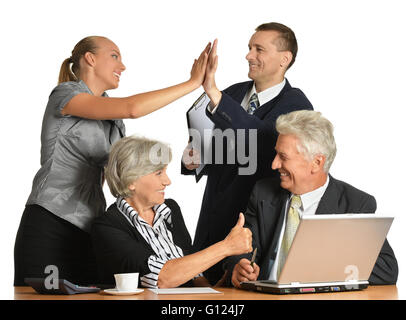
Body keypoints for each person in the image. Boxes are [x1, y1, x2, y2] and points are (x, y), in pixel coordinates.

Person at [14, 36, 212, 286]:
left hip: (92, 228)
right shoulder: (65, 95)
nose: (123, 66)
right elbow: (132, 108)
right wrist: (193, 82)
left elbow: (124, 175)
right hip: (51, 222)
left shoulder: (113, 118)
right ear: (90, 59)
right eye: (115, 56)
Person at [182, 22, 313, 284]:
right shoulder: (233, 92)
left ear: (284, 59)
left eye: (259, 49)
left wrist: (213, 94)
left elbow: (261, 139)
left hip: (251, 223)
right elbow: (210, 142)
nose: (249, 55)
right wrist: (193, 157)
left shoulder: (297, 105)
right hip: (212, 215)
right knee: (198, 289)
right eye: (250, 48)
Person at [226, 110, 398, 287]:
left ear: (316, 163)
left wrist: (320, 258)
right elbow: (241, 249)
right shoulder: (263, 192)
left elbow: (387, 270)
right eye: (276, 154)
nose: (274, 164)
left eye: (283, 157)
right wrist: (239, 266)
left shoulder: (355, 203)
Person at [91, 136, 253, 288]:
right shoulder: (107, 227)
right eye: (159, 173)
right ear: (131, 181)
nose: (167, 181)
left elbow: (192, 270)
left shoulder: (170, 209)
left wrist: (213, 289)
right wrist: (226, 247)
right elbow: (161, 278)